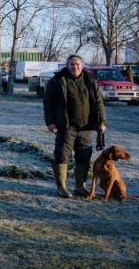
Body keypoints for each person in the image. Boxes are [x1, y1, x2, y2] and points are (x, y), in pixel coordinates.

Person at [43, 54, 107, 198]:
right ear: (67, 65)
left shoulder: (90, 80)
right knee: (62, 155)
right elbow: (48, 102)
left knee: (84, 156)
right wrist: (50, 121)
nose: (75, 66)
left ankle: (80, 186)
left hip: (87, 127)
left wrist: (102, 121)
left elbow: (99, 102)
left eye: (77, 64)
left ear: (82, 66)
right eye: (71, 64)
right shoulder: (57, 80)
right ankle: (62, 187)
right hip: (65, 126)